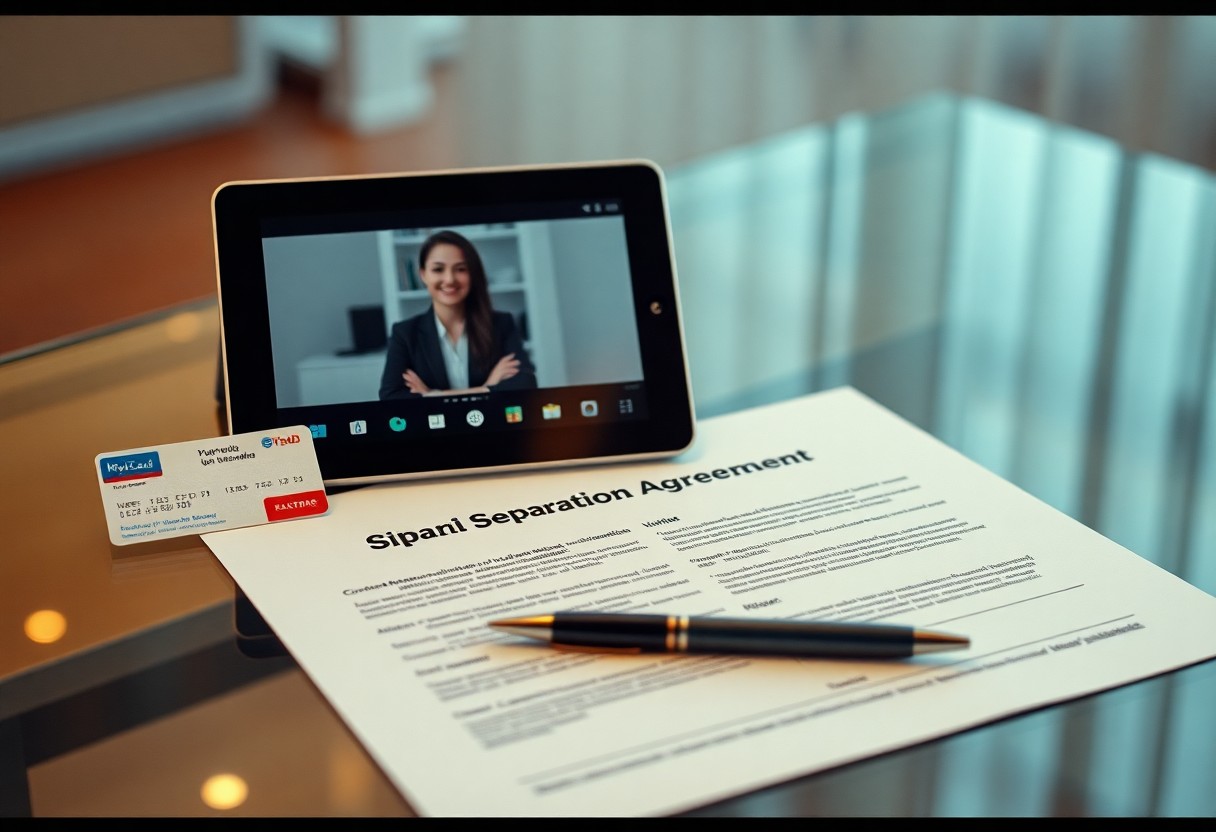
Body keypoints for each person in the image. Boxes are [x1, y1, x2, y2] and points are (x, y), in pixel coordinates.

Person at [379, 229, 537, 399]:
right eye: (438, 269)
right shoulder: (404, 333)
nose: (449, 279)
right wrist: (488, 387)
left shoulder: (502, 324)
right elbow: (390, 396)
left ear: (472, 274)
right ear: (423, 275)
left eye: (460, 269)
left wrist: (432, 395)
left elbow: (526, 383)